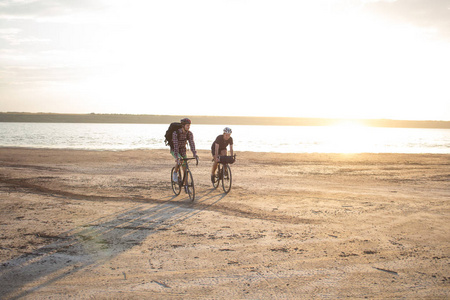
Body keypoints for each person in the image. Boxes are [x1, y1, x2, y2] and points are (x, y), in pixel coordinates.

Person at [172, 118, 198, 189]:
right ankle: (175, 173)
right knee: (180, 161)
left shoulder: (189, 133)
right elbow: (175, 145)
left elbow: (192, 144)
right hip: (174, 149)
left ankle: (186, 186)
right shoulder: (176, 133)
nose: (188, 127)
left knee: (185, 168)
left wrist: (194, 154)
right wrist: (177, 157)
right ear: (183, 125)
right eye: (187, 125)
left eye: (189, 125)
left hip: (183, 150)